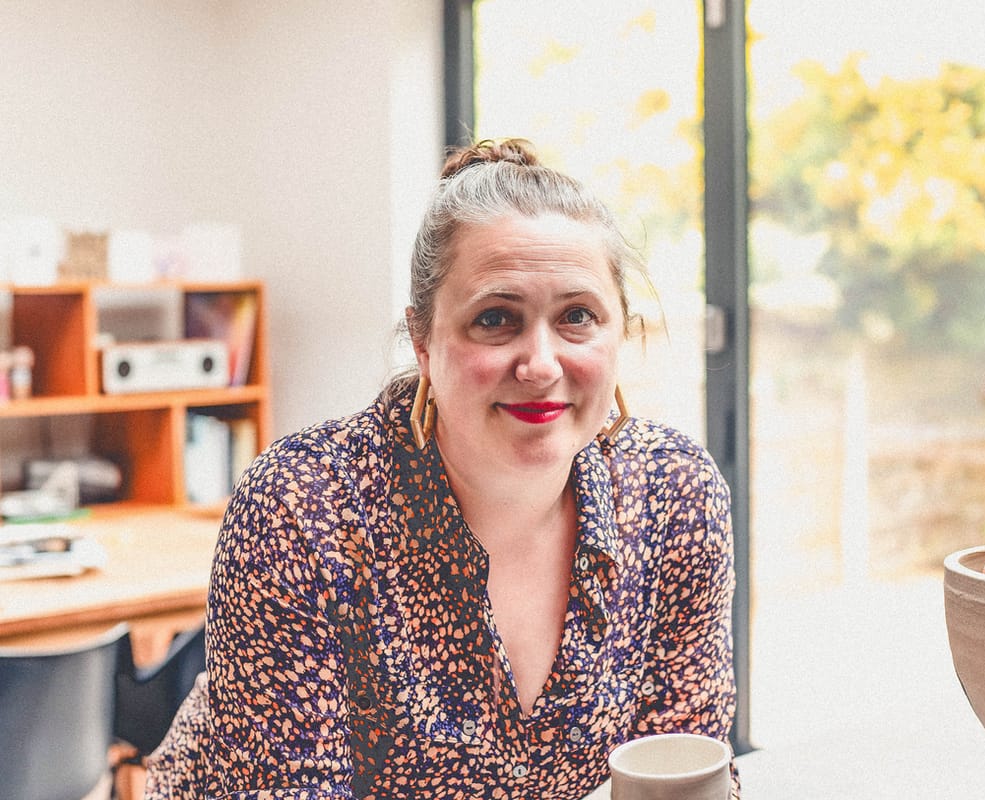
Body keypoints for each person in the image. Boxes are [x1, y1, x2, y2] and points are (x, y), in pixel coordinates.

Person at [145, 138, 738, 799]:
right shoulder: (303, 508)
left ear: (618, 332)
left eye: (577, 316)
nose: (541, 364)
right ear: (424, 342)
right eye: (495, 319)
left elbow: (688, 770)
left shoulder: (673, 493)